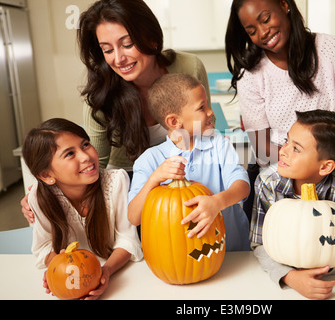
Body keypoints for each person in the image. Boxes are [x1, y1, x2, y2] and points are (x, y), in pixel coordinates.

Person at [21, 0, 211, 223]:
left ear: (151, 38)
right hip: (128, 185)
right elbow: (94, 166)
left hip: (186, 174)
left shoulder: (189, 67)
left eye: (128, 44)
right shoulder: (101, 98)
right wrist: (43, 193)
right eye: (107, 50)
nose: (118, 59)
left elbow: (204, 128)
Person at [225, 0, 335, 216]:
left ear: (284, 5)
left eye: (266, 19)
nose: (263, 32)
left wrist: (328, 169)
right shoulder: (250, 74)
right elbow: (263, 151)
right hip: (275, 176)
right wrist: (307, 171)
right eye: (252, 31)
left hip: (327, 171)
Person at [250, 110, 335, 300]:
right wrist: (290, 276)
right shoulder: (267, 182)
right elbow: (259, 241)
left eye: (296, 149)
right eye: (287, 141)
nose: (283, 150)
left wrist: (318, 271)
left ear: (325, 167)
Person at [22, 118, 143, 300]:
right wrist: (57, 270)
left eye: (85, 145)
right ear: (47, 175)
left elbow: (127, 240)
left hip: (123, 274)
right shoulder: (38, 197)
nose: (85, 156)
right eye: (70, 154)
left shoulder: (117, 180)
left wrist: (105, 272)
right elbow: (43, 246)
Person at [128, 73, 251, 251]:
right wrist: (154, 179)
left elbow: (242, 187)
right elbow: (134, 217)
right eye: (201, 107)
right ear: (174, 121)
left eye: (207, 104)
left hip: (232, 253)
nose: (210, 111)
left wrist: (217, 202)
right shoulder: (150, 160)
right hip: (180, 259)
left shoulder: (219, 144)